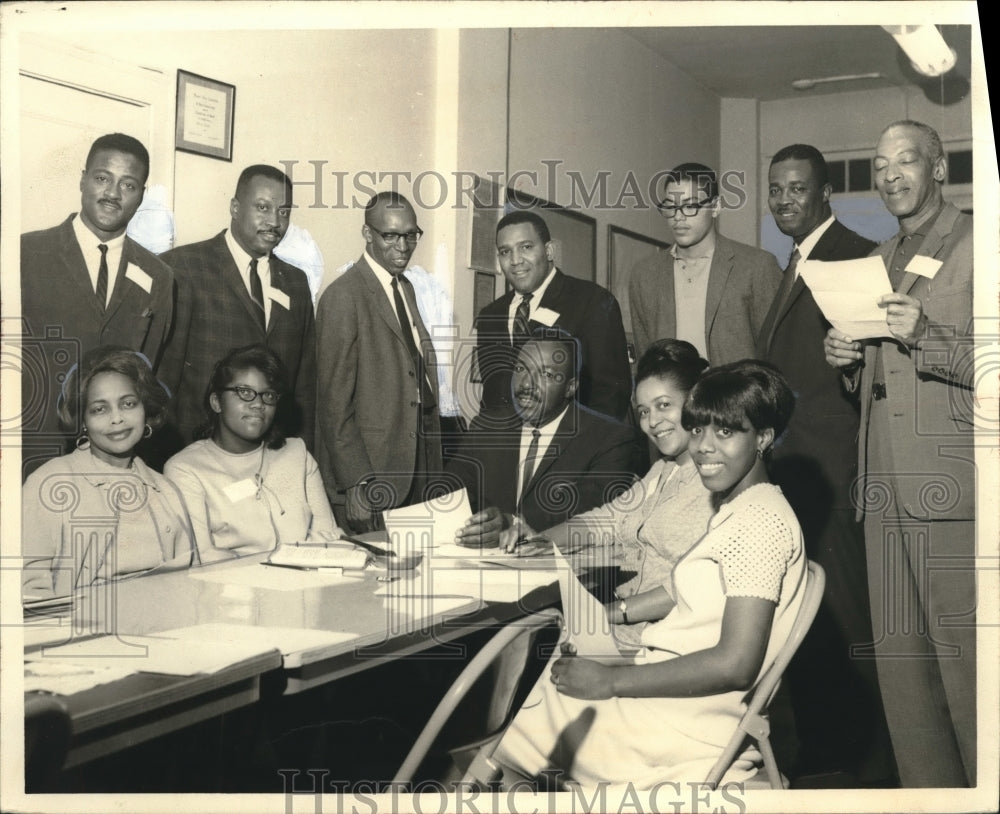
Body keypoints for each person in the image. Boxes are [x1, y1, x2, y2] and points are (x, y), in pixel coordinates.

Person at [494, 360, 805, 790]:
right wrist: (611, 613)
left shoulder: (758, 523)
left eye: (726, 432)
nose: (704, 448)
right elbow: (683, 587)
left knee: (509, 734)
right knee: (538, 693)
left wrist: (613, 681)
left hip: (687, 727)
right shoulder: (742, 506)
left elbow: (736, 664)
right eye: (697, 430)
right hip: (679, 701)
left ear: (764, 438)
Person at [823, 120, 975, 788]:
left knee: (969, 676)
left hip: (950, 494)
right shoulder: (879, 258)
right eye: (879, 166)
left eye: (905, 161)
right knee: (907, 684)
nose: (890, 176)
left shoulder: (978, 243)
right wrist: (846, 363)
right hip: (883, 491)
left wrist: (928, 335)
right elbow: (880, 381)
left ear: (938, 168)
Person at [761, 144, 894, 784]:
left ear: (823, 194)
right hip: (791, 467)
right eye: (775, 190)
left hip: (831, 462)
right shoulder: (795, 259)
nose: (784, 200)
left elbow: (870, 370)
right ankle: (822, 744)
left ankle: (866, 760)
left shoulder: (855, 252)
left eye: (796, 189)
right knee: (803, 610)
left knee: (842, 610)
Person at [512, 339, 715, 648]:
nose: (652, 423)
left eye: (664, 405)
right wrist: (541, 539)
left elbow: (690, 587)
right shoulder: (664, 469)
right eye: (644, 411)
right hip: (627, 630)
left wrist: (607, 614)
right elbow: (605, 519)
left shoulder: (712, 481)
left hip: (662, 640)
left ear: (695, 403)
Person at [20, 133, 176, 478]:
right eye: (103, 178)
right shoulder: (24, 254)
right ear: (83, 178)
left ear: (142, 196)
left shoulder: (159, 276)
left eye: (128, 184)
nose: (112, 194)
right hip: (29, 450)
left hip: (112, 459)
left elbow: (145, 373)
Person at [158, 164, 316, 458]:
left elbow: (305, 385)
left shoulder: (296, 282)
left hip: (273, 455)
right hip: (196, 453)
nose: (274, 221)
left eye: (283, 212)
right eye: (262, 207)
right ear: (234, 207)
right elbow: (165, 379)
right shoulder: (184, 267)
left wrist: (300, 454)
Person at [21, 346, 195, 601]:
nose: (117, 419)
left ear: (145, 410)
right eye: (99, 409)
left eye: (128, 404)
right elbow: (28, 590)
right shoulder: (47, 483)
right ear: (82, 420)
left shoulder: (166, 489)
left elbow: (189, 582)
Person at [315, 192, 442, 532]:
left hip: (417, 465)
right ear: (368, 234)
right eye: (390, 235)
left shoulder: (406, 288)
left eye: (411, 234)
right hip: (372, 473)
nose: (403, 246)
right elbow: (333, 402)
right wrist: (355, 481)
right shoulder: (343, 296)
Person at [450, 328, 641, 547]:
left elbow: (589, 512)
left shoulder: (609, 439)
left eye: (546, 374)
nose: (526, 385)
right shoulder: (487, 426)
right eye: (521, 368)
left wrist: (511, 522)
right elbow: (451, 491)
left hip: (560, 566)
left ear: (571, 387)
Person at [164, 345, 342, 563]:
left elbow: (329, 537)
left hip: (307, 583)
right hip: (233, 592)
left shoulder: (297, 453)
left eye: (268, 395)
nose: (258, 404)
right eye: (245, 392)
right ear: (216, 402)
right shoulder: (185, 469)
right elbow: (203, 558)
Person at [475, 210, 632, 421]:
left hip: (571, 446)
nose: (515, 260)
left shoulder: (592, 302)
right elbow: (492, 396)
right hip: (508, 448)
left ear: (549, 251)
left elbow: (610, 397)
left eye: (526, 247)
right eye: (505, 251)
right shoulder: (489, 317)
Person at [629, 163, 781, 364]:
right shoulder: (644, 275)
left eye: (690, 206)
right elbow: (646, 360)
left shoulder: (757, 267)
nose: (678, 217)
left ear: (715, 207)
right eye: (671, 207)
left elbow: (777, 354)